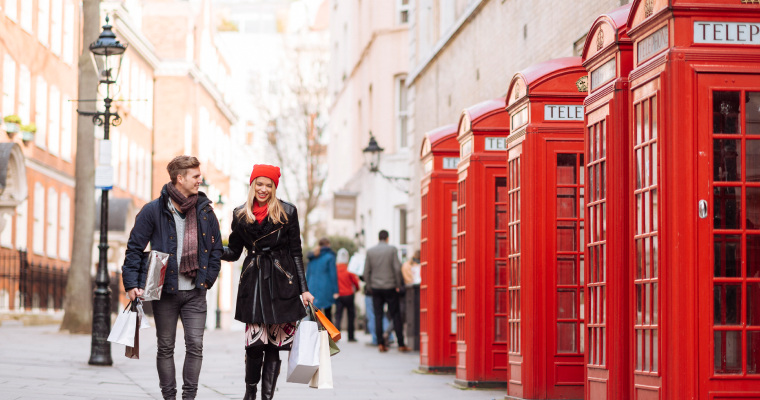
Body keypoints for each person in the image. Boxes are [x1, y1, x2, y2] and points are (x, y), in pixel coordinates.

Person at [122, 155, 223, 400]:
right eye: (196, 176)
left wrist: (208, 279)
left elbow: (217, 249)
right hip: (164, 290)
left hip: (196, 292)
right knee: (165, 347)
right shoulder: (153, 210)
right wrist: (131, 283)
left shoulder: (205, 210)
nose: (201, 180)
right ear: (180, 178)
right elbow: (134, 248)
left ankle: (189, 397)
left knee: (195, 346)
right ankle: (169, 397)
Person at [221, 164, 314, 400]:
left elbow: (296, 253)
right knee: (253, 344)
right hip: (253, 283)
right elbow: (233, 251)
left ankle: (267, 397)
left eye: (268, 185)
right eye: (259, 184)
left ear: (274, 187)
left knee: (274, 345)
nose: (263, 189)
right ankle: (250, 392)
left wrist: (304, 289)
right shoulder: (240, 214)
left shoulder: (287, 212)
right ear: (252, 185)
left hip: (282, 283)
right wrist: (211, 249)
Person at [363, 230, 410, 353]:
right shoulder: (392, 250)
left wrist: (369, 286)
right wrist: (398, 285)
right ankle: (401, 344)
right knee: (396, 315)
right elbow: (396, 267)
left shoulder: (370, 251)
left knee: (378, 315)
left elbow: (366, 271)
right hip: (390, 287)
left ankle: (380, 344)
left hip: (376, 288)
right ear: (387, 238)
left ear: (379, 238)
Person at [305, 238, 339, 321]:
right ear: (328, 245)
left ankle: (313, 333)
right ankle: (328, 334)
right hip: (326, 288)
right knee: (328, 314)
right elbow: (333, 275)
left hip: (312, 287)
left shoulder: (312, 257)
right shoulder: (330, 257)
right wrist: (336, 291)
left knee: (313, 315)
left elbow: (308, 274)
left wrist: (305, 289)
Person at [334, 248, 360, 342]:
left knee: (338, 316)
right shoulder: (349, 269)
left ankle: (336, 336)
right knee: (351, 315)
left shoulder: (335, 269)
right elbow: (356, 282)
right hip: (349, 294)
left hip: (339, 295)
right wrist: (357, 289)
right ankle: (351, 336)